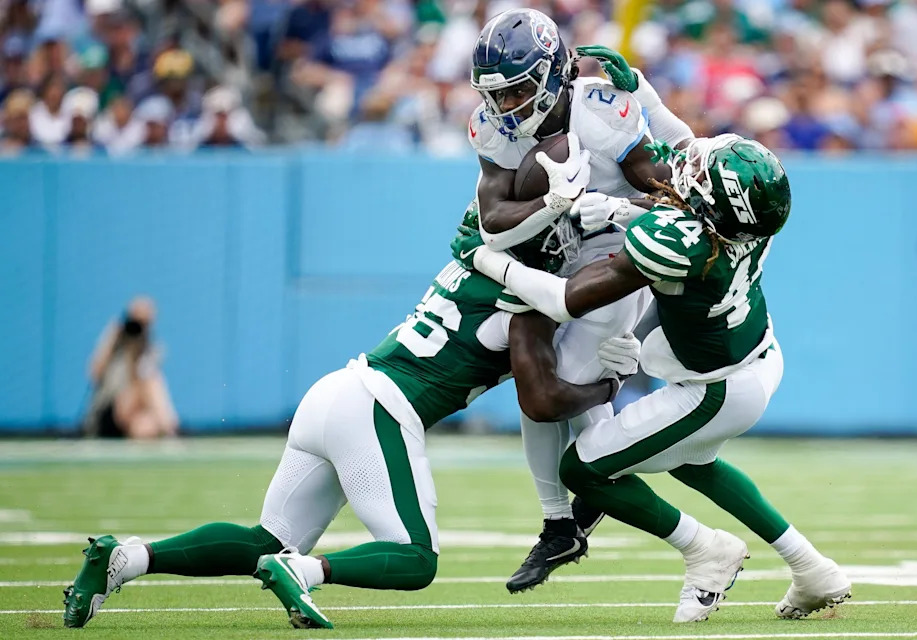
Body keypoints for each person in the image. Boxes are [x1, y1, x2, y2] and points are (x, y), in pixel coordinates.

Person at [62, 204, 642, 630]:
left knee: (266, 538)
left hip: (335, 391)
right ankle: (308, 573)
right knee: (415, 560)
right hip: (378, 408)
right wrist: (607, 384)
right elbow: (541, 399)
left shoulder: (472, 267)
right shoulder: (524, 301)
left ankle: (125, 558)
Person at [453, 133, 852, 622]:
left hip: (715, 390)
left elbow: (565, 299)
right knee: (688, 461)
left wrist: (487, 258)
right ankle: (811, 568)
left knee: (583, 470)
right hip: (758, 357)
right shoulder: (750, 222)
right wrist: (621, 210)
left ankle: (706, 550)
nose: (689, 167)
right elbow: (691, 227)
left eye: (701, 174)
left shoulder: (678, 241)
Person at [465, 8, 695, 593]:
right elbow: (494, 218)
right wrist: (554, 205)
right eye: (494, 92)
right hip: (554, 250)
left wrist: (620, 207)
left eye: (516, 87)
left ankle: (589, 483)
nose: (505, 105)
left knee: (554, 386)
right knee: (531, 380)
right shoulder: (493, 126)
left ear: (549, 73)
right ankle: (560, 519)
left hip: (618, 257)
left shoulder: (601, 109)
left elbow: (682, 198)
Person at [82, 296, 178, 439]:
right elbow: (94, 374)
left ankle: (167, 430)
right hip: (109, 411)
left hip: (135, 414)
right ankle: (172, 430)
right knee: (150, 382)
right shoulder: (114, 346)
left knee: (145, 426)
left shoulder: (150, 351)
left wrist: (140, 353)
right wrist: (110, 339)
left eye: (144, 323)